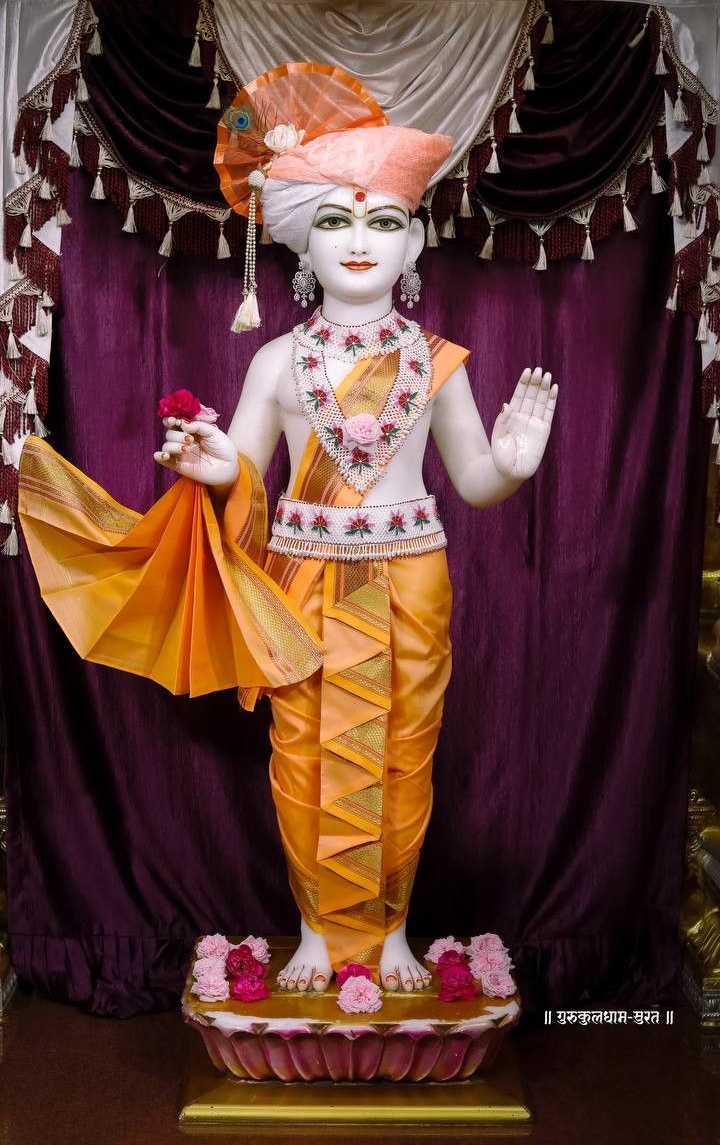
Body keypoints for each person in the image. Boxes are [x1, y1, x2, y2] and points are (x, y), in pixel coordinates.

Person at [19, 62, 557, 996]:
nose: (359, 242)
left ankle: (386, 932)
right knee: (305, 753)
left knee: (403, 751)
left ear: (414, 244)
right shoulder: (277, 359)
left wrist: (511, 465)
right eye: (338, 222)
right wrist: (213, 463)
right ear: (303, 247)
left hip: (411, 580)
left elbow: (470, 481)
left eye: (383, 222)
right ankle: (318, 926)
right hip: (304, 578)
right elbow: (245, 463)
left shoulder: (439, 361)